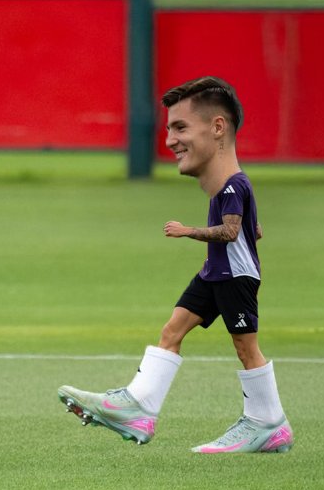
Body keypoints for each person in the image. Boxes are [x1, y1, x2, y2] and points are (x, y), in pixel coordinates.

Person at [57, 75, 293, 454]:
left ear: (218, 127)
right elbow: (252, 228)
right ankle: (138, 407)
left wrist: (188, 231)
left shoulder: (233, 185)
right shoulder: (224, 188)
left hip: (235, 276)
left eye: (180, 127)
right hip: (215, 271)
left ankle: (268, 423)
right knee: (172, 330)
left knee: (245, 346)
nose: (169, 140)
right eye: (169, 129)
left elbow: (233, 233)